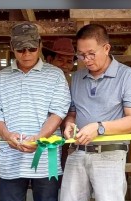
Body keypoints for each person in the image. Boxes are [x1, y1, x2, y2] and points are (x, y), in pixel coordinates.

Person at [58, 24, 131, 201]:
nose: (86, 59)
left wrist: (100, 128)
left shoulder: (128, 76)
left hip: (110, 155)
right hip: (77, 155)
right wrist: (69, 124)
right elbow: (73, 112)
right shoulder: (77, 77)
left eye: (91, 53)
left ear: (106, 48)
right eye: (81, 54)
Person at [0, 22, 71, 201]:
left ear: (40, 46)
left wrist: (38, 138)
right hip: (10, 160)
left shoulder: (55, 76)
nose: (26, 54)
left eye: (31, 49)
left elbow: (58, 113)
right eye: (20, 49)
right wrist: (7, 134)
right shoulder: (1, 78)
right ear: (12, 48)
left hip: (46, 160)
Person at [42, 37, 76, 170]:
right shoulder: (39, 79)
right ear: (50, 60)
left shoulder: (73, 82)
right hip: (42, 133)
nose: (65, 65)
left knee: (61, 168)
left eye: (69, 61)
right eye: (60, 60)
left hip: (66, 133)